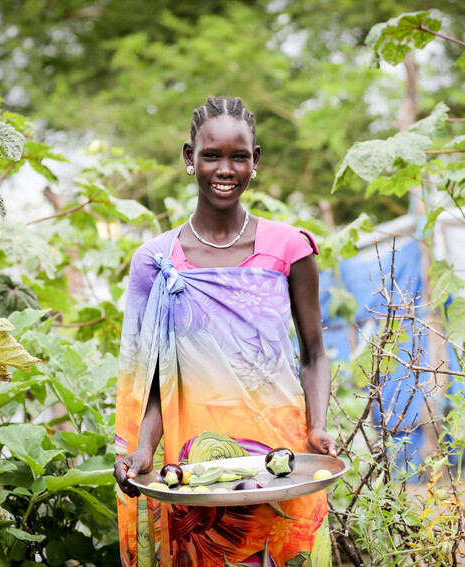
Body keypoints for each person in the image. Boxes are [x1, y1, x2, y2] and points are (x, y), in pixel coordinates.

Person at [113, 95, 337, 567]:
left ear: (255, 161)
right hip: (194, 469)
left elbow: (314, 353)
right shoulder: (155, 262)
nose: (225, 169)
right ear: (188, 156)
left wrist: (316, 426)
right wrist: (144, 449)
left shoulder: (290, 248)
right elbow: (154, 382)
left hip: (283, 459)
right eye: (211, 154)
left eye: (239, 156)